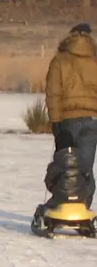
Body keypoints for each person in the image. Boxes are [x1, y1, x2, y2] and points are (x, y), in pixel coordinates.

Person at [45, 23, 97, 204]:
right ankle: (83, 208)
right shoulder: (94, 60)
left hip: (68, 120)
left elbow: (53, 93)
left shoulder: (60, 60)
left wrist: (55, 121)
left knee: (65, 164)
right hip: (92, 120)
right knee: (85, 169)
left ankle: (63, 204)